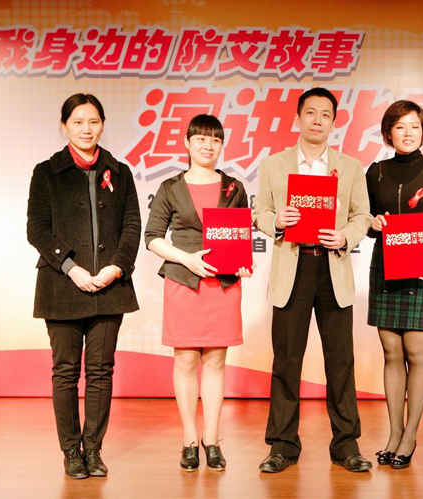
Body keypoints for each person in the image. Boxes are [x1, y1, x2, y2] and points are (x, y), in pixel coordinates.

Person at [252, 87, 373, 473]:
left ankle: (346, 445)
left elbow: (362, 216)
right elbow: (259, 211)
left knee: (341, 361)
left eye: (325, 114)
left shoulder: (350, 167)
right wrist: (276, 221)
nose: (317, 120)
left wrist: (346, 236)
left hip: (332, 267)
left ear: (334, 123)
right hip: (293, 267)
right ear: (297, 119)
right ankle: (282, 445)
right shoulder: (274, 165)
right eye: (310, 113)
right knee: (286, 361)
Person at [27, 93, 141, 479]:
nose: (86, 129)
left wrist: (116, 268)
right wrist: (71, 267)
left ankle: (93, 450)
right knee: (65, 371)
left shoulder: (120, 172)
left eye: (93, 121)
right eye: (78, 122)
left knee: (101, 371)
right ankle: (70, 451)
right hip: (62, 286)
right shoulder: (46, 172)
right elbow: (37, 229)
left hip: (110, 288)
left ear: (103, 124)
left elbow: (132, 226)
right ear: (64, 126)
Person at [144, 114, 253, 472]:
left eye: (215, 140)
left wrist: (242, 262)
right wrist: (186, 259)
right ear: (187, 143)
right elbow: (152, 238)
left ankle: (212, 440)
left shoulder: (234, 187)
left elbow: (241, 234)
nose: (208, 146)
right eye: (201, 139)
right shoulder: (170, 188)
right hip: (184, 283)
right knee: (186, 361)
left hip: (222, 285)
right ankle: (190, 439)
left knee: (216, 362)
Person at [366, 100, 423, 469]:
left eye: (415, 126)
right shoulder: (375, 171)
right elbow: (366, 219)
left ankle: (409, 436)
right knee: (391, 354)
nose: (408, 133)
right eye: (400, 126)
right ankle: (393, 433)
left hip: (422, 270)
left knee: (417, 354)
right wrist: (372, 224)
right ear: (388, 133)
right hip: (386, 268)